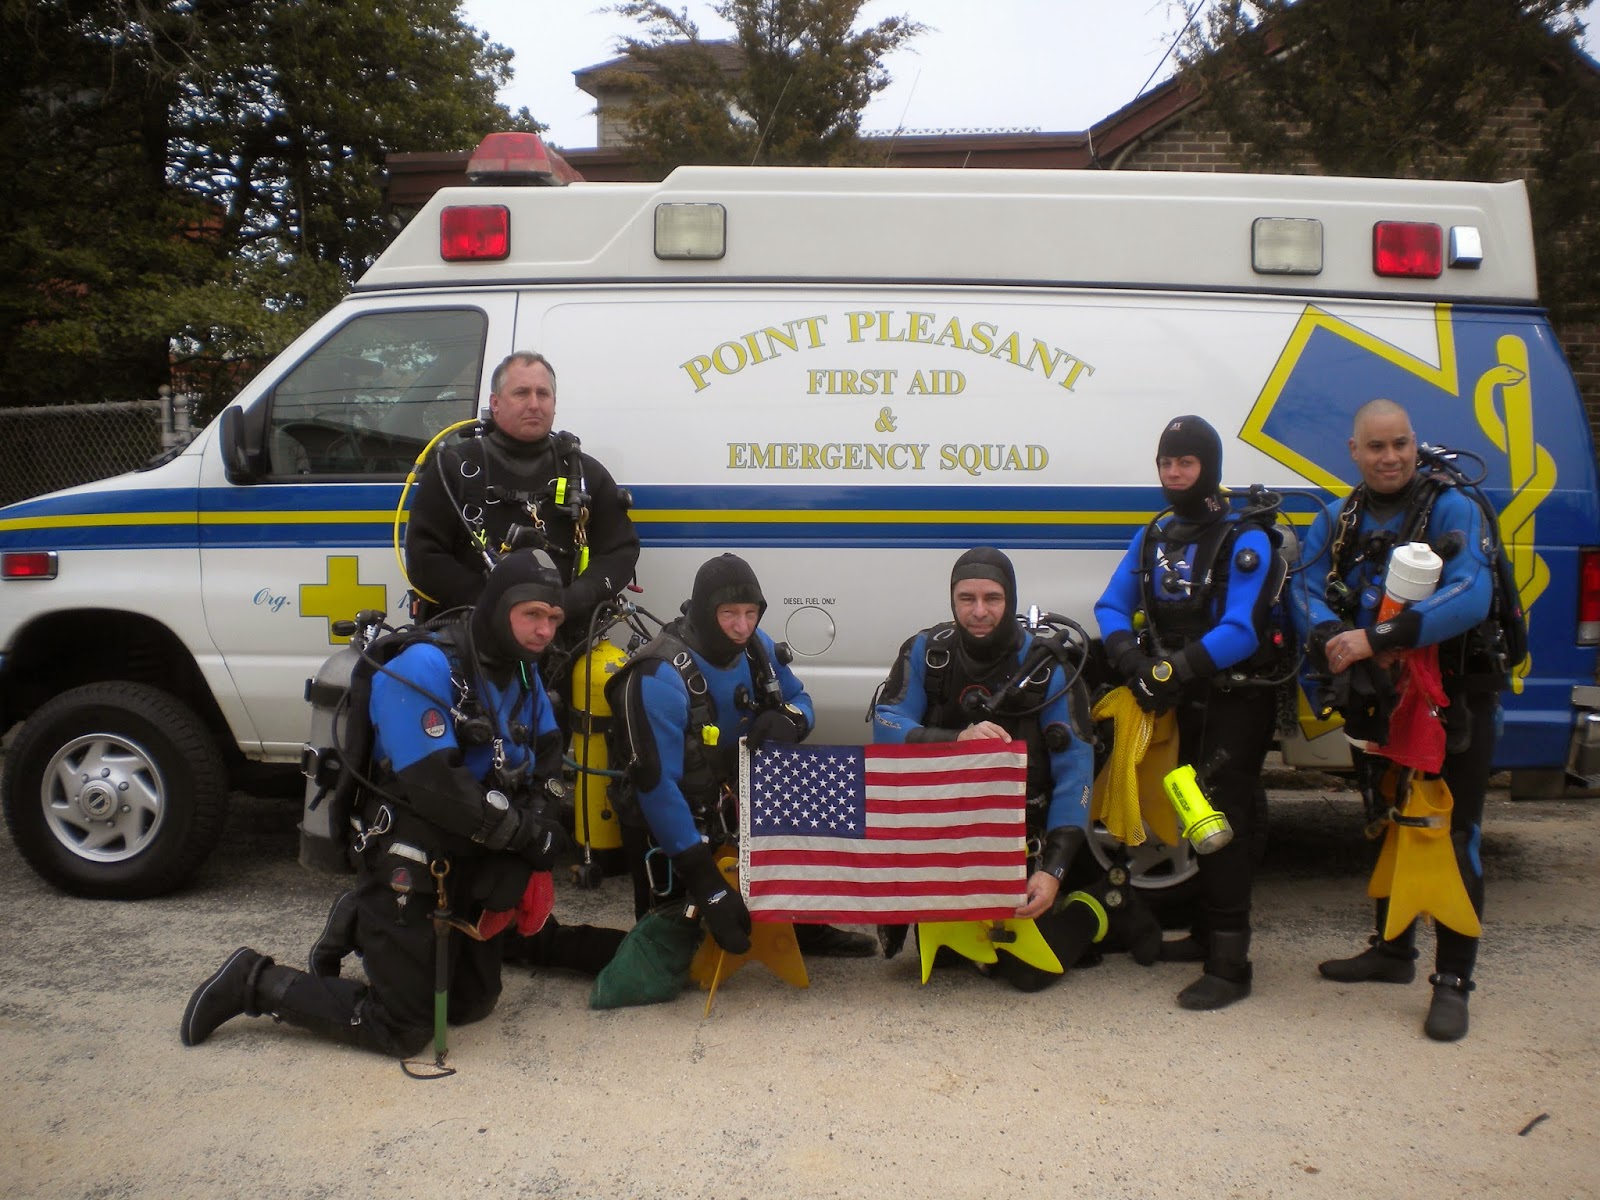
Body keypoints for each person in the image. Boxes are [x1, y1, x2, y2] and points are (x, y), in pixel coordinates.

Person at [181, 551, 621, 1057]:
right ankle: (254, 981)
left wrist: (537, 827)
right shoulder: (424, 666)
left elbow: (545, 756)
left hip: (472, 843)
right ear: (499, 607)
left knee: (471, 1006)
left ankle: (359, 922)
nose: (545, 631)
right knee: (406, 1029)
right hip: (412, 847)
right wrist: (524, 838)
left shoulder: (523, 674)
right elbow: (435, 786)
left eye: (554, 618)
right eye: (533, 615)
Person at [1294, 398, 1498, 1042]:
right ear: (1353, 452)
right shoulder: (1337, 518)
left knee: (1449, 833)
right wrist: (1331, 633)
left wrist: (1377, 636)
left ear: (1416, 446)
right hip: (1378, 696)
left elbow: (1473, 591)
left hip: (1453, 697)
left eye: (1400, 445)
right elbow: (1301, 586)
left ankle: (1454, 982)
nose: (1389, 458)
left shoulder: (1452, 508)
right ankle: (1391, 952)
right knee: (1385, 820)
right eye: (1375, 447)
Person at [1094, 415, 1282, 1011]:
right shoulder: (1155, 535)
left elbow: (1243, 630)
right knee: (1187, 812)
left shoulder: (1243, 537)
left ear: (1210, 467)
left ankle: (1231, 963)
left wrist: (1171, 670)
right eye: (1166, 463)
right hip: (1176, 697)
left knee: (1220, 822)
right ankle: (1206, 936)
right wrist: (1130, 659)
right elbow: (1111, 603)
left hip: (1234, 697)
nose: (1174, 473)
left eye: (1186, 462)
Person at [872, 546, 1121, 990]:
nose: (979, 611)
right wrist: (957, 740)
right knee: (947, 958)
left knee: (1024, 974)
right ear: (952, 600)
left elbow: (1075, 771)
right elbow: (888, 726)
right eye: (967, 599)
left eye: (992, 598)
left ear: (1011, 600)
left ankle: (1102, 906)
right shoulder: (930, 654)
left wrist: (1054, 871)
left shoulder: (1047, 667)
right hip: (951, 839)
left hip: (1027, 839)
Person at [608, 553, 876, 959]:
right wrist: (708, 886)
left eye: (751, 612)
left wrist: (790, 721)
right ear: (703, 610)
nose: (742, 626)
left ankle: (804, 925)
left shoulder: (757, 648)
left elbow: (801, 699)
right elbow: (656, 787)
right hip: (669, 820)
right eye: (729, 613)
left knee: (807, 779)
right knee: (673, 959)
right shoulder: (659, 676)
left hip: (734, 796)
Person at [405, 350, 640, 643]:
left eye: (543, 394)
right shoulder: (454, 469)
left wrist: (571, 601)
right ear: (495, 403)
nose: (534, 404)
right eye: (521, 393)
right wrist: (498, 603)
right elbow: (423, 557)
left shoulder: (585, 474)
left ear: (554, 404)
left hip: (563, 636)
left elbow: (620, 551)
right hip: (475, 634)